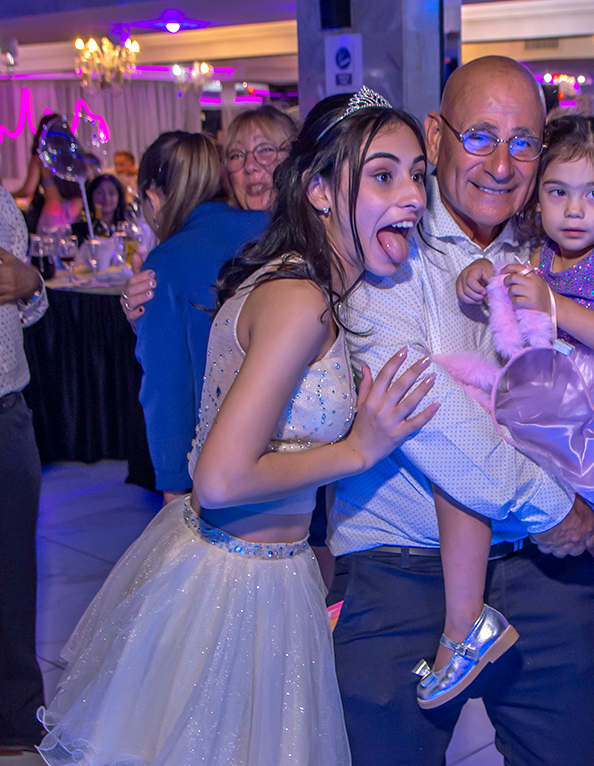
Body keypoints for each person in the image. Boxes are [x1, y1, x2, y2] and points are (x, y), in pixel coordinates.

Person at [36, 89, 438, 766]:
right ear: (318, 191)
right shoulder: (301, 299)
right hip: (235, 585)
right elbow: (220, 478)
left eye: (419, 176)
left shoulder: (303, 282)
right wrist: (358, 448)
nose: (413, 196)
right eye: (383, 174)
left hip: (257, 565)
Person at [328, 55, 594, 765]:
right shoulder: (389, 236)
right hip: (402, 571)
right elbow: (428, 412)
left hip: (542, 570)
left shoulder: (554, 244)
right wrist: (556, 506)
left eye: (524, 143)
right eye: (480, 136)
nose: (502, 165)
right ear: (436, 134)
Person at [424, 114, 594, 707]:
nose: (575, 211)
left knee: (575, 524)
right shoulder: (537, 251)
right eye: (558, 192)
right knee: (465, 436)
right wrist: (479, 278)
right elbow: (508, 294)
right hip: (542, 389)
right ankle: (478, 610)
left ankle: (577, 616)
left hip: (584, 400)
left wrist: (554, 305)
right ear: (536, 198)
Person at [131, 132, 269, 502]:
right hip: (299, 459)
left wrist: (172, 483)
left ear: (153, 198)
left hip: (218, 470)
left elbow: (166, 391)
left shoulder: (165, 263)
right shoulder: (274, 227)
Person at [121, 105, 296, 323]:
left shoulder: (313, 238)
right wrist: (144, 307)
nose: (250, 166)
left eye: (266, 150)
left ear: (295, 158)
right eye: (236, 155)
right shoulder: (214, 250)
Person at [0, 189, 47, 753]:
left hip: (8, 407)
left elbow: (32, 308)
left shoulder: (1, 204)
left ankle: (15, 718)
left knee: (13, 573)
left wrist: (31, 284)